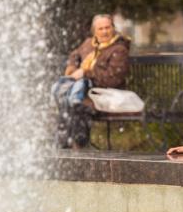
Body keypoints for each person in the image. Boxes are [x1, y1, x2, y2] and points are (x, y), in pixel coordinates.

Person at [51, 14, 130, 148]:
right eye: (100, 29)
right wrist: (73, 67)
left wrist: (85, 73)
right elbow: (74, 55)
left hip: (104, 93)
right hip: (85, 92)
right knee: (63, 91)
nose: (104, 32)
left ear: (113, 28)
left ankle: (74, 144)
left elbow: (113, 79)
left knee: (77, 104)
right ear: (94, 31)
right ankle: (64, 143)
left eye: (107, 28)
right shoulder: (89, 44)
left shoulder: (119, 49)